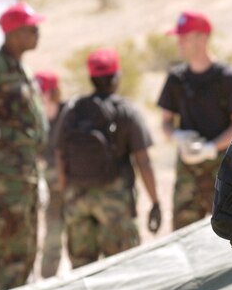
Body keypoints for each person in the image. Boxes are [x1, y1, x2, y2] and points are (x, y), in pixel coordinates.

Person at [54, 47, 162, 268]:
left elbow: (59, 154)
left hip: (77, 199)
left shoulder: (72, 109)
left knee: (82, 271)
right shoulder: (126, 111)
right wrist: (155, 201)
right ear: (117, 77)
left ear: (91, 77)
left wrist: (66, 191)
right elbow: (143, 161)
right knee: (122, 269)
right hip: (115, 202)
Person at [0, 1, 48, 290]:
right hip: (2, 182)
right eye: (32, 28)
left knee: (26, 254)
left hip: (25, 178)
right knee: (4, 259)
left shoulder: (21, 69)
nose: (37, 33)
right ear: (14, 33)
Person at [157, 10, 232, 230]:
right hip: (187, 170)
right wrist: (177, 135)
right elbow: (165, 122)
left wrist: (210, 147)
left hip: (223, 167)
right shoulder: (176, 78)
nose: (179, 43)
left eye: (184, 37)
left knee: (229, 231)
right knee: (182, 232)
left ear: (202, 37)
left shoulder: (227, 77)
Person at [35, 70, 65, 277]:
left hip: (74, 185)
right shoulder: (35, 119)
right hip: (51, 187)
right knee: (52, 236)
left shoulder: (69, 114)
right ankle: (48, 281)